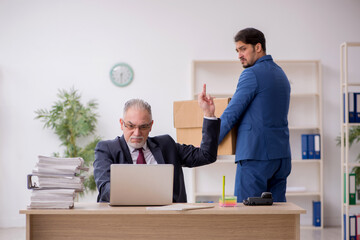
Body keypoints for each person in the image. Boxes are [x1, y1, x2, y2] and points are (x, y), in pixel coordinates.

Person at [94, 84, 220, 203]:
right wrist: (142, 190)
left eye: (143, 127)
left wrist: (209, 114)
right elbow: (105, 189)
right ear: (122, 124)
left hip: (168, 219)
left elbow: (206, 155)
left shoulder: (166, 145)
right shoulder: (106, 149)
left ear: (151, 126)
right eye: (131, 126)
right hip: (125, 219)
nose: (137, 133)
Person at [218, 28, 291, 202]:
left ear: (258, 47)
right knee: (278, 215)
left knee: (248, 217)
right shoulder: (281, 74)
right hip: (281, 158)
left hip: (255, 156)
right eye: (237, 51)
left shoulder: (251, 74)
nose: (239, 55)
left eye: (243, 49)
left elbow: (231, 113)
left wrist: (208, 143)